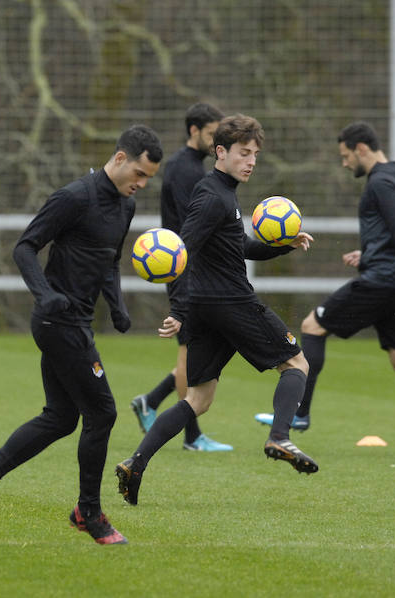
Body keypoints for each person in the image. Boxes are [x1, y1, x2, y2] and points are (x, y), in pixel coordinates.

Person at [0, 125, 163, 544]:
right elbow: (25, 247)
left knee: (63, 417)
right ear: (120, 158)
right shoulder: (74, 197)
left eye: (148, 179)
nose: (141, 184)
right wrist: (45, 294)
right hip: (57, 323)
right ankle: (88, 512)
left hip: (77, 323)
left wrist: (117, 306)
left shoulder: (125, 207)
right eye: (138, 173)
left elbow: (108, 262)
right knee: (102, 413)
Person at [115, 114, 317, 507]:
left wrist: (282, 245)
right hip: (230, 302)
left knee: (198, 398)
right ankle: (279, 437)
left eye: (255, 154)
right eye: (244, 153)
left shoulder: (222, 192)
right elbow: (180, 249)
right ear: (220, 152)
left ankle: (135, 463)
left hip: (209, 307)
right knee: (296, 364)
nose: (251, 161)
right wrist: (179, 309)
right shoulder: (212, 196)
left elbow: (239, 246)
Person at [254, 121, 395, 459]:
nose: (345, 163)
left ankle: (300, 414)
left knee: (312, 326)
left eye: (345, 156)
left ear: (361, 148)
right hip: (393, 281)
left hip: (382, 283)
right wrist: (371, 254)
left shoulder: (380, 183)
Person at [129, 102, 233, 452]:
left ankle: (151, 401)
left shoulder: (193, 167)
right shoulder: (182, 169)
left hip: (194, 269)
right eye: (211, 132)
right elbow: (195, 225)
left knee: (196, 350)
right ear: (194, 130)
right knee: (190, 353)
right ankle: (191, 436)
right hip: (185, 270)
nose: (216, 139)